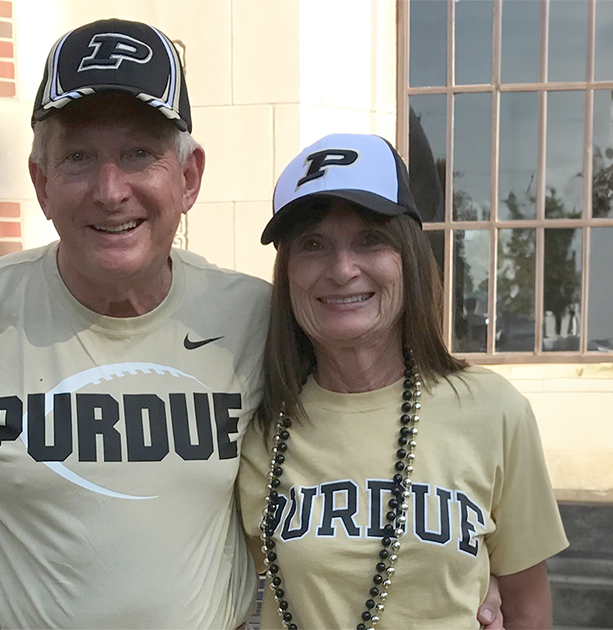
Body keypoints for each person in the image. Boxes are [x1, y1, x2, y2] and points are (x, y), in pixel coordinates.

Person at [0, 17, 508, 630]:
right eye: (78, 157)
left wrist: (454, 570)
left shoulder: (259, 317)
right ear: (40, 183)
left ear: (188, 178)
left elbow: (364, 428)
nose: (109, 189)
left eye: (138, 153)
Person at [238, 133, 568, 629]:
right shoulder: (254, 421)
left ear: (408, 259)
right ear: (288, 273)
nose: (342, 269)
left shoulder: (494, 411)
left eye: (371, 239)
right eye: (313, 245)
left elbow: (527, 610)